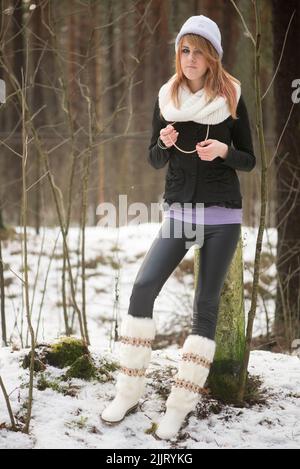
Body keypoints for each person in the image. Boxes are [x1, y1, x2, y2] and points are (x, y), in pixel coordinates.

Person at [101, 14, 256, 440]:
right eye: (184, 50)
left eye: (198, 50)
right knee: (142, 287)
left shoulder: (231, 97)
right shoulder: (166, 97)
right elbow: (153, 158)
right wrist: (163, 145)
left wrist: (224, 150)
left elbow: (249, 158)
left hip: (222, 214)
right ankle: (128, 390)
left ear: (212, 57)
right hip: (180, 215)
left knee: (203, 308)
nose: (189, 58)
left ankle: (178, 407)